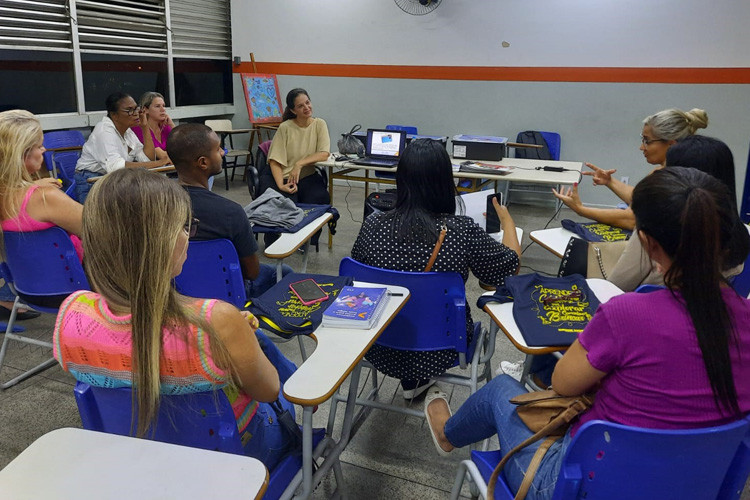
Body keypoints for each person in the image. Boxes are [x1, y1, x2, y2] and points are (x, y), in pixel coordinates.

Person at [426, 167, 750, 500]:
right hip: (699, 488)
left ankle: (447, 435)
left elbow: (564, 384)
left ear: (649, 245)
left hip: (580, 488)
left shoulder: (625, 316)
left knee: (500, 390)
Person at [53, 168, 297, 470]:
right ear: (163, 242)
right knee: (288, 387)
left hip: (134, 453)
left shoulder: (72, 313)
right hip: (230, 458)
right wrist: (237, 334)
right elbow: (268, 391)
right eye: (184, 227)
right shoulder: (216, 319)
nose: (187, 236)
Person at [351, 139, 521, 398]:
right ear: (444, 182)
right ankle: (416, 379)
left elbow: (357, 277)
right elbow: (508, 271)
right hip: (443, 348)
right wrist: (507, 220)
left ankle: (414, 381)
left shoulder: (372, 225)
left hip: (377, 342)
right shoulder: (462, 230)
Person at [168, 123, 292, 298]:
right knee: (284, 272)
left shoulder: (158, 206)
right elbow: (252, 272)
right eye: (218, 149)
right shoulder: (230, 212)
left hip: (174, 294)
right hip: (225, 295)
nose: (222, 153)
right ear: (203, 162)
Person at [608, 134, 745, 291]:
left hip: (642, 309)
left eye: (668, 168)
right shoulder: (738, 235)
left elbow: (616, 286)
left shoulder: (655, 230)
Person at [552, 108, 708, 230]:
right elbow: (642, 200)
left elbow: (631, 219)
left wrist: (581, 209)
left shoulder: (672, 179)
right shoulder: (668, 171)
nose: (642, 147)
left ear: (671, 144)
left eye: (647, 141)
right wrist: (610, 181)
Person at [0, 109, 84, 319]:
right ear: (21, 154)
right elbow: (100, 230)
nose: (44, 149)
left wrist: (33, 184)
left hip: (25, 290)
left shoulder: (6, 196)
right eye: (39, 145)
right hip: (73, 289)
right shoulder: (44, 198)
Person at [74, 91, 170, 203]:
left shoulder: (128, 131)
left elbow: (147, 159)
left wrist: (144, 126)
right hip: (91, 180)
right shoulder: (104, 131)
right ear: (114, 115)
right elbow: (116, 167)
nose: (136, 113)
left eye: (136, 109)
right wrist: (159, 163)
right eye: (130, 110)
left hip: (114, 179)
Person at [266, 88, 330, 247]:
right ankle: (277, 242)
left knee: (320, 198)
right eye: (301, 106)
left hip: (307, 175)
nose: (306, 108)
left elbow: (324, 153)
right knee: (286, 204)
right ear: (293, 110)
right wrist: (281, 184)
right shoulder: (285, 127)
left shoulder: (319, 124)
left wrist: (299, 164)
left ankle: (309, 242)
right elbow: (274, 161)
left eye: (307, 103)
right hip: (282, 176)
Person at [131, 91, 174, 161]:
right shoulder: (139, 127)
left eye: (163, 106)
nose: (163, 110)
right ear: (145, 109)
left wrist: (171, 125)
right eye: (157, 106)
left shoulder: (165, 126)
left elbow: (184, 146)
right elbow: (162, 156)